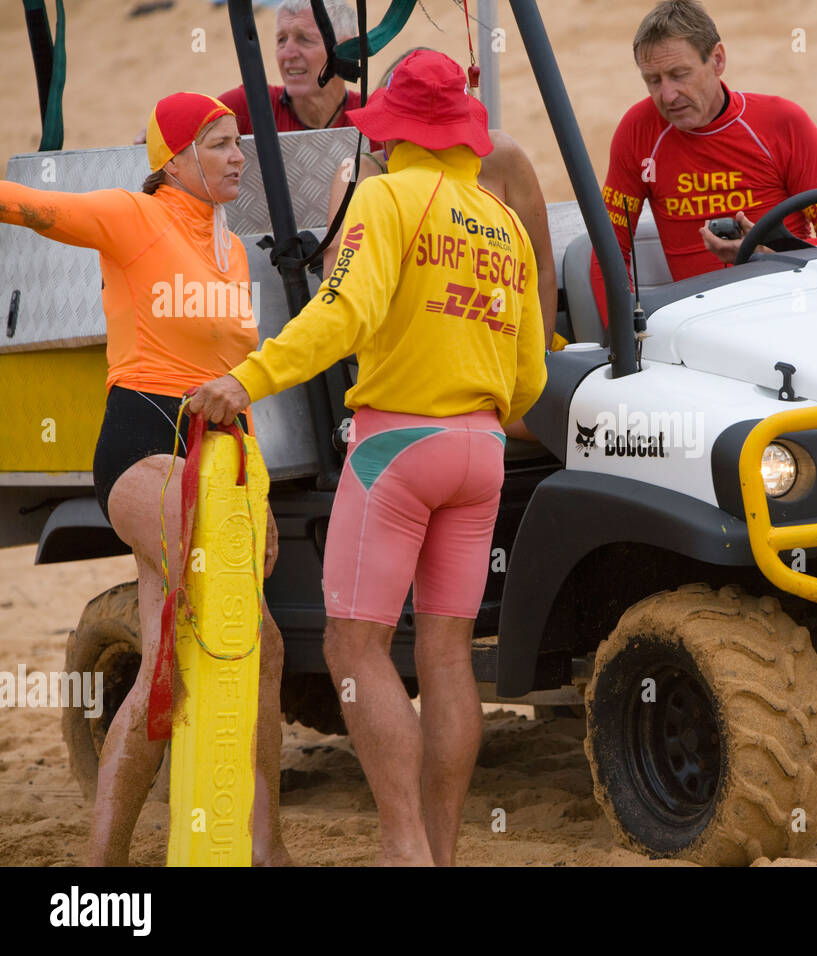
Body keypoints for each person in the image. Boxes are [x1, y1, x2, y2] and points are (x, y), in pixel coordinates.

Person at [188, 51, 548, 866]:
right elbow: (529, 376)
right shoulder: (503, 221)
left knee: (355, 648)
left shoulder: (383, 197)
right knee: (447, 653)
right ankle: (442, 853)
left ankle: (404, 848)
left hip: (398, 445)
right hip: (484, 451)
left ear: (395, 134)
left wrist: (249, 379)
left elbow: (339, 315)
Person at [0, 93, 290, 866]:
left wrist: (251, 497)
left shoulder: (232, 246)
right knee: (213, 628)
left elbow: (232, 376)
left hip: (222, 452)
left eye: (239, 144)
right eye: (221, 145)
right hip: (141, 442)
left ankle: (250, 847)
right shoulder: (133, 216)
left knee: (226, 650)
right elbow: (23, 206)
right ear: (174, 157)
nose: (238, 158)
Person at [591, 0, 817, 324]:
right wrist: (624, 343)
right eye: (653, 80)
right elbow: (608, 252)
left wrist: (767, 255)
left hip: (791, 314)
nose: (668, 95)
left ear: (717, 59)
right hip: (695, 332)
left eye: (679, 74)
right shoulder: (639, 131)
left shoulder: (782, 124)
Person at [322, 48, 559, 351]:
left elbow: (541, 270)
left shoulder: (503, 157)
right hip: (401, 365)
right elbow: (335, 293)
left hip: (500, 365)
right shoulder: (362, 174)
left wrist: (539, 364)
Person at [218, 0, 362, 134]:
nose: (287, 53)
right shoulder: (245, 108)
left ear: (347, 50)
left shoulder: (372, 116)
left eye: (305, 39)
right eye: (282, 39)